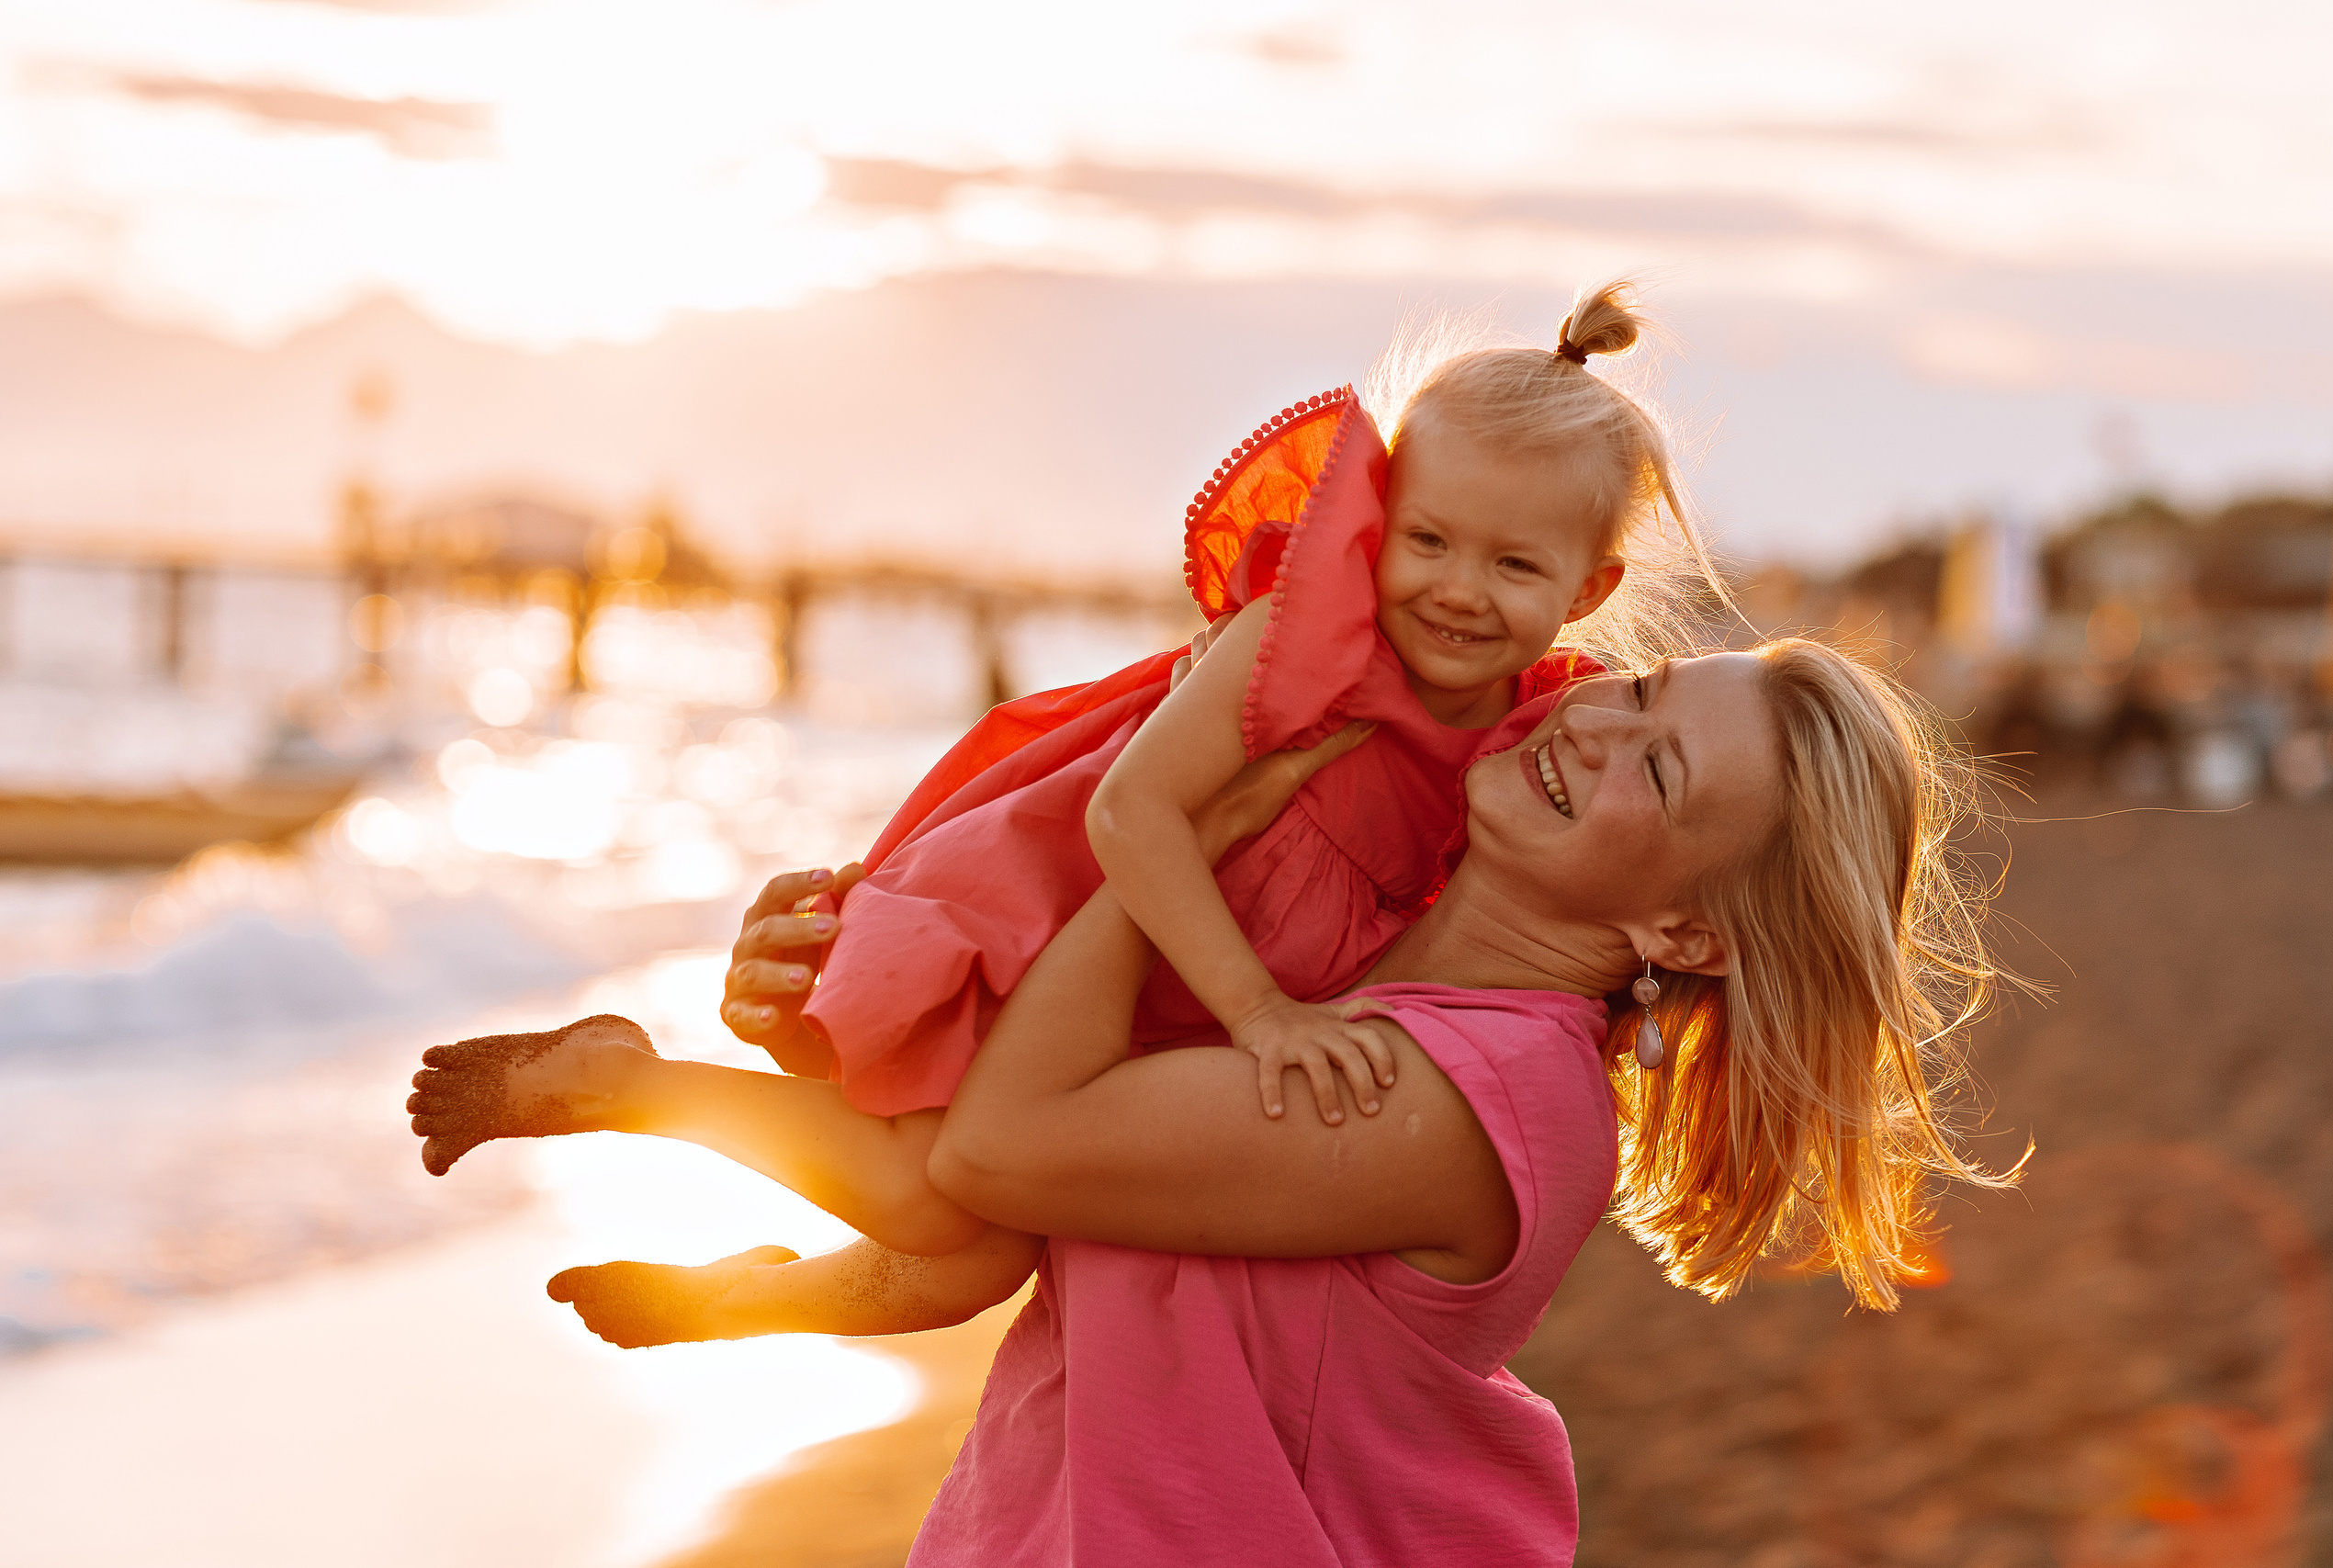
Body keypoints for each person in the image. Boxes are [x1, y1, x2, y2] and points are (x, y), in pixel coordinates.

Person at [507, 636, 2010, 1563]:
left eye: (1658, 773)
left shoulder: (1467, 1093)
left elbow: (1009, 1145)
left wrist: (1165, 834)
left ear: (1686, 933)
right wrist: (830, 1011)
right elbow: (1012, 1213)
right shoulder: (1322, 972)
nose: (1593, 729)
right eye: (1637, 690)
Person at [409, 283, 1719, 1283]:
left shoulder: (1549, 733)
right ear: (1377, 520)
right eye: (1427, 539)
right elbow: (1132, 814)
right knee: (934, 1197)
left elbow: (1591, 903)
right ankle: (630, 1084)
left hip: (1191, 980)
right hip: (1096, 916)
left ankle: (762, 1297)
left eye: (1512, 567)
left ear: (1587, 592)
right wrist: (1260, 1014)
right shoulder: (1300, 647)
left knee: (992, 1254)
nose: (1455, 589)